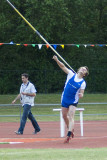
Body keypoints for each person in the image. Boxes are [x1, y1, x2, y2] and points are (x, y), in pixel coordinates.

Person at [53, 55, 89, 143]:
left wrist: (81, 94)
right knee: (64, 116)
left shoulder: (83, 83)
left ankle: (68, 135)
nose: (83, 69)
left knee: (71, 115)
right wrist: (57, 60)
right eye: (82, 68)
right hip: (64, 98)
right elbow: (63, 66)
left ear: (84, 74)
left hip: (73, 101)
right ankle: (70, 128)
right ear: (79, 69)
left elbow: (82, 92)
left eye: (84, 70)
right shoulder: (71, 74)